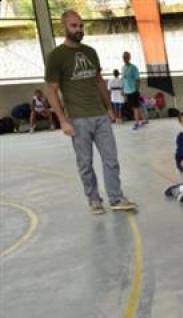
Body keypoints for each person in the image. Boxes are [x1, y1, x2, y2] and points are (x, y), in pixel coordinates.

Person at [45, 10, 136, 214]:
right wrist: (62, 120)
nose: (78, 29)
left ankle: (116, 198)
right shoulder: (56, 56)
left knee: (111, 159)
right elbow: (51, 90)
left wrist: (110, 109)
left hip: (100, 116)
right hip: (77, 119)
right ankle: (94, 199)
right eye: (73, 26)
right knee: (85, 163)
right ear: (64, 27)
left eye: (80, 25)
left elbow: (98, 81)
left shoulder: (90, 52)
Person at [122, 51, 146, 130]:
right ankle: (142, 120)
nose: (125, 58)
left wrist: (136, 90)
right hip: (127, 91)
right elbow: (123, 80)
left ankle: (137, 123)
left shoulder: (133, 67)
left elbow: (137, 80)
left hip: (133, 91)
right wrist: (123, 91)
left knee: (135, 107)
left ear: (129, 57)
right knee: (134, 107)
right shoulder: (123, 68)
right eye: (124, 57)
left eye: (126, 57)